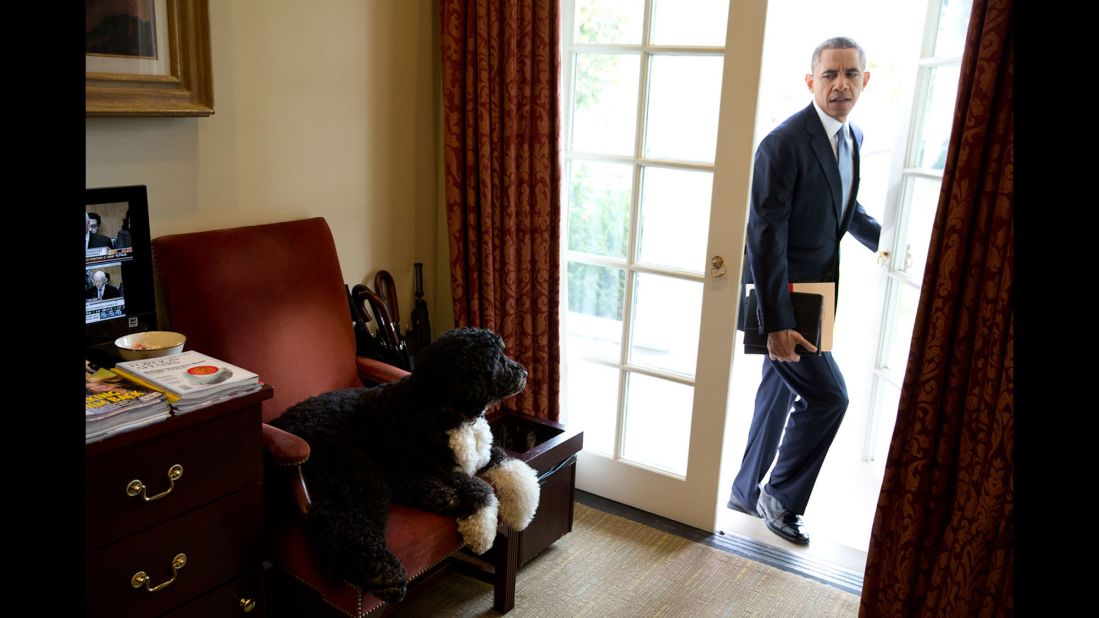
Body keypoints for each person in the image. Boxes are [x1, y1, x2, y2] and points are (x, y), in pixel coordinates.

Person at [726, 37, 881, 545]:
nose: (841, 84)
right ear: (811, 81)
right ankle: (782, 497)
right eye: (831, 74)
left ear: (865, 80)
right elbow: (764, 236)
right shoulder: (782, 142)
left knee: (777, 393)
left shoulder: (853, 136)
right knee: (829, 397)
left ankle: (745, 494)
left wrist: (894, 245)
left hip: (819, 292)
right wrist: (776, 322)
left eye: (851, 74)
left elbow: (847, 211)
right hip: (783, 296)